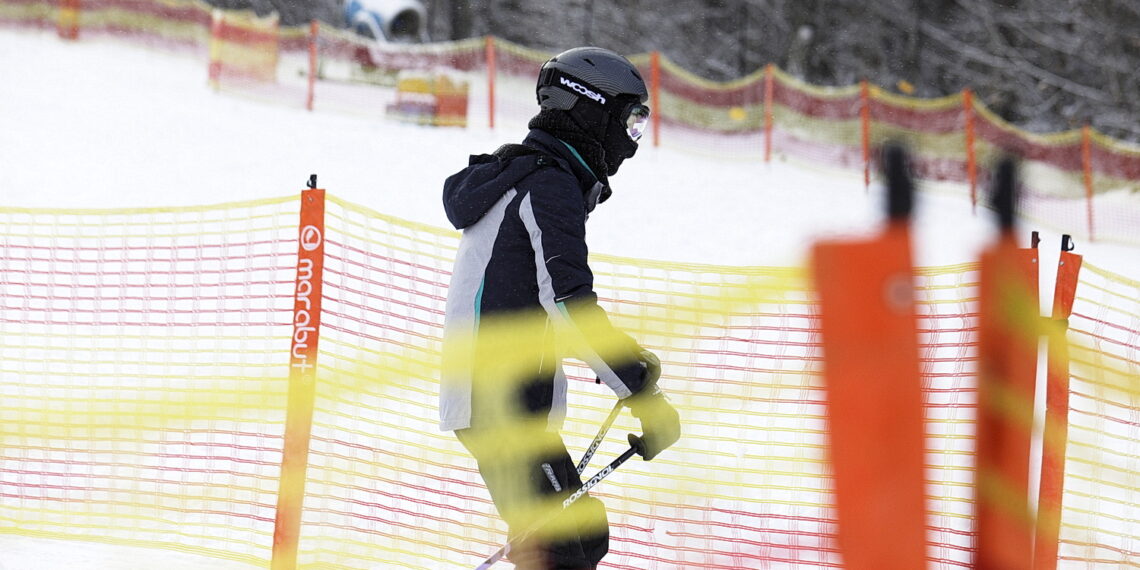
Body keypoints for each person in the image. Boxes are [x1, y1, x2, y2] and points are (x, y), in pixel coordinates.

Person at [439, 47, 681, 569]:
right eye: (630, 122)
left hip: (504, 405)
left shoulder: (532, 177)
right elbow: (569, 303)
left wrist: (630, 364)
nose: (630, 144)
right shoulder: (546, 186)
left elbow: (542, 302)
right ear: (591, 112)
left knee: (581, 538)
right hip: (497, 407)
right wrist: (638, 388)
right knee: (558, 553)